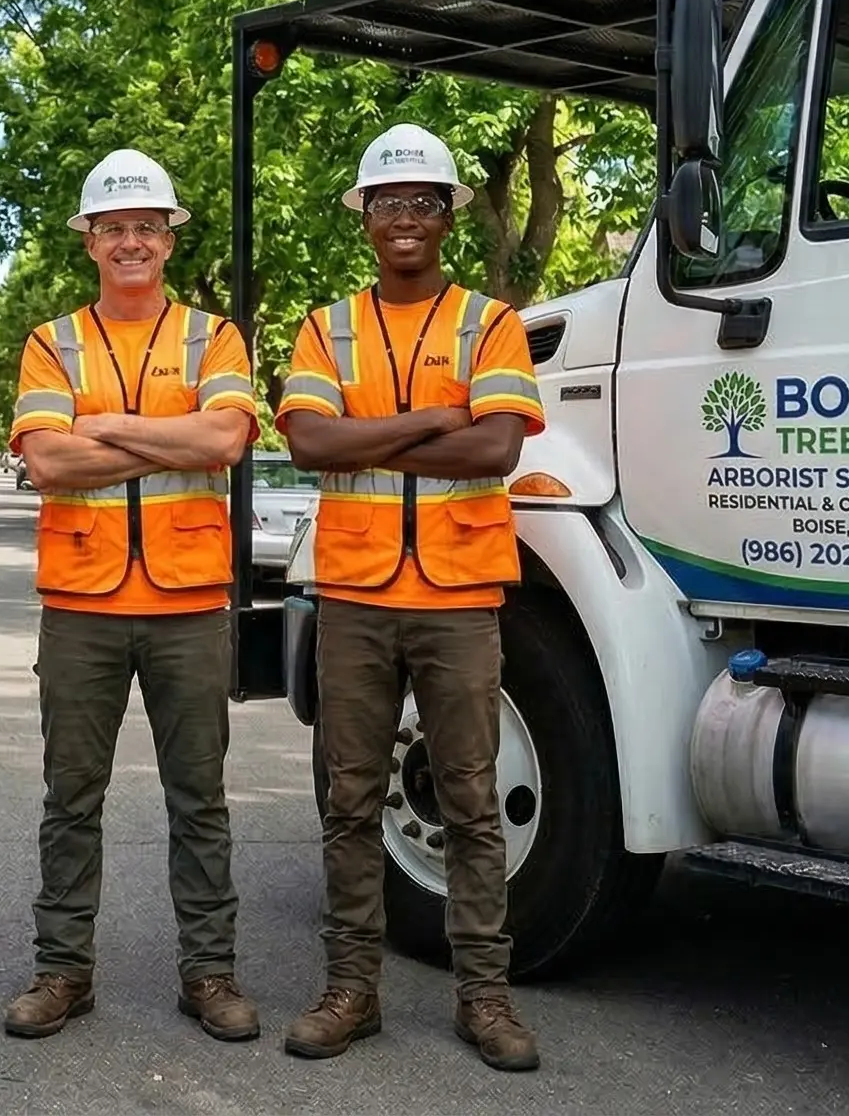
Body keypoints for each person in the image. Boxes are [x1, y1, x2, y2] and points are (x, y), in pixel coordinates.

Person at [273, 124, 549, 1072]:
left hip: (459, 595)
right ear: (365, 219)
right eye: (388, 203)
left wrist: (374, 432)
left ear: (448, 217)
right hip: (353, 594)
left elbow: (495, 450)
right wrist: (436, 415)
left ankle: (486, 997)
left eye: (423, 203)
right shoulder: (326, 326)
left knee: (470, 801)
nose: (405, 218)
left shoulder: (491, 322)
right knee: (348, 797)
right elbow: (309, 445)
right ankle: (351, 990)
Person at [2, 149, 262, 1043]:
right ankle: (61, 971)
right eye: (114, 228)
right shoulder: (52, 340)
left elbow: (226, 439)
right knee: (70, 799)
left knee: (200, 800)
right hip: (82, 603)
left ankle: (211, 975)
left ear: (168, 239)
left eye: (146, 227)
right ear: (89, 241)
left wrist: (107, 425)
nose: (130, 241)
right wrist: (169, 437)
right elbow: (45, 458)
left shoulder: (215, 336)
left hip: (189, 603)